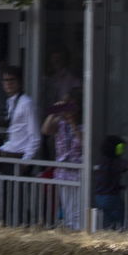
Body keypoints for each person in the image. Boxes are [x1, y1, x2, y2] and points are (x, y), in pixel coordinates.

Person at [42, 92, 83, 229]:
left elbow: (84, 142)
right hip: (63, 173)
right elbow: (46, 130)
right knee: (67, 211)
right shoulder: (59, 123)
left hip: (78, 174)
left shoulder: (84, 124)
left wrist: (73, 123)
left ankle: (78, 234)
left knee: (78, 212)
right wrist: (54, 111)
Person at [0, 65, 41, 165]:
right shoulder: (11, 102)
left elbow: (35, 137)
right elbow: (14, 136)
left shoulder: (26, 103)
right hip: (9, 154)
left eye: (12, 80)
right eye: (5, 80)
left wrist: (26, 162)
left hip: (20, 157)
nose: (8, 83)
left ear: (20, 82)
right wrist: (0, 149)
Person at [93, 135, 128, 230]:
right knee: (122, 219)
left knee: (107, 223)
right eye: (121, 147)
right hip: (111, 197)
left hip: (99, 197)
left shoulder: (101, 161)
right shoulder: (116, 162)